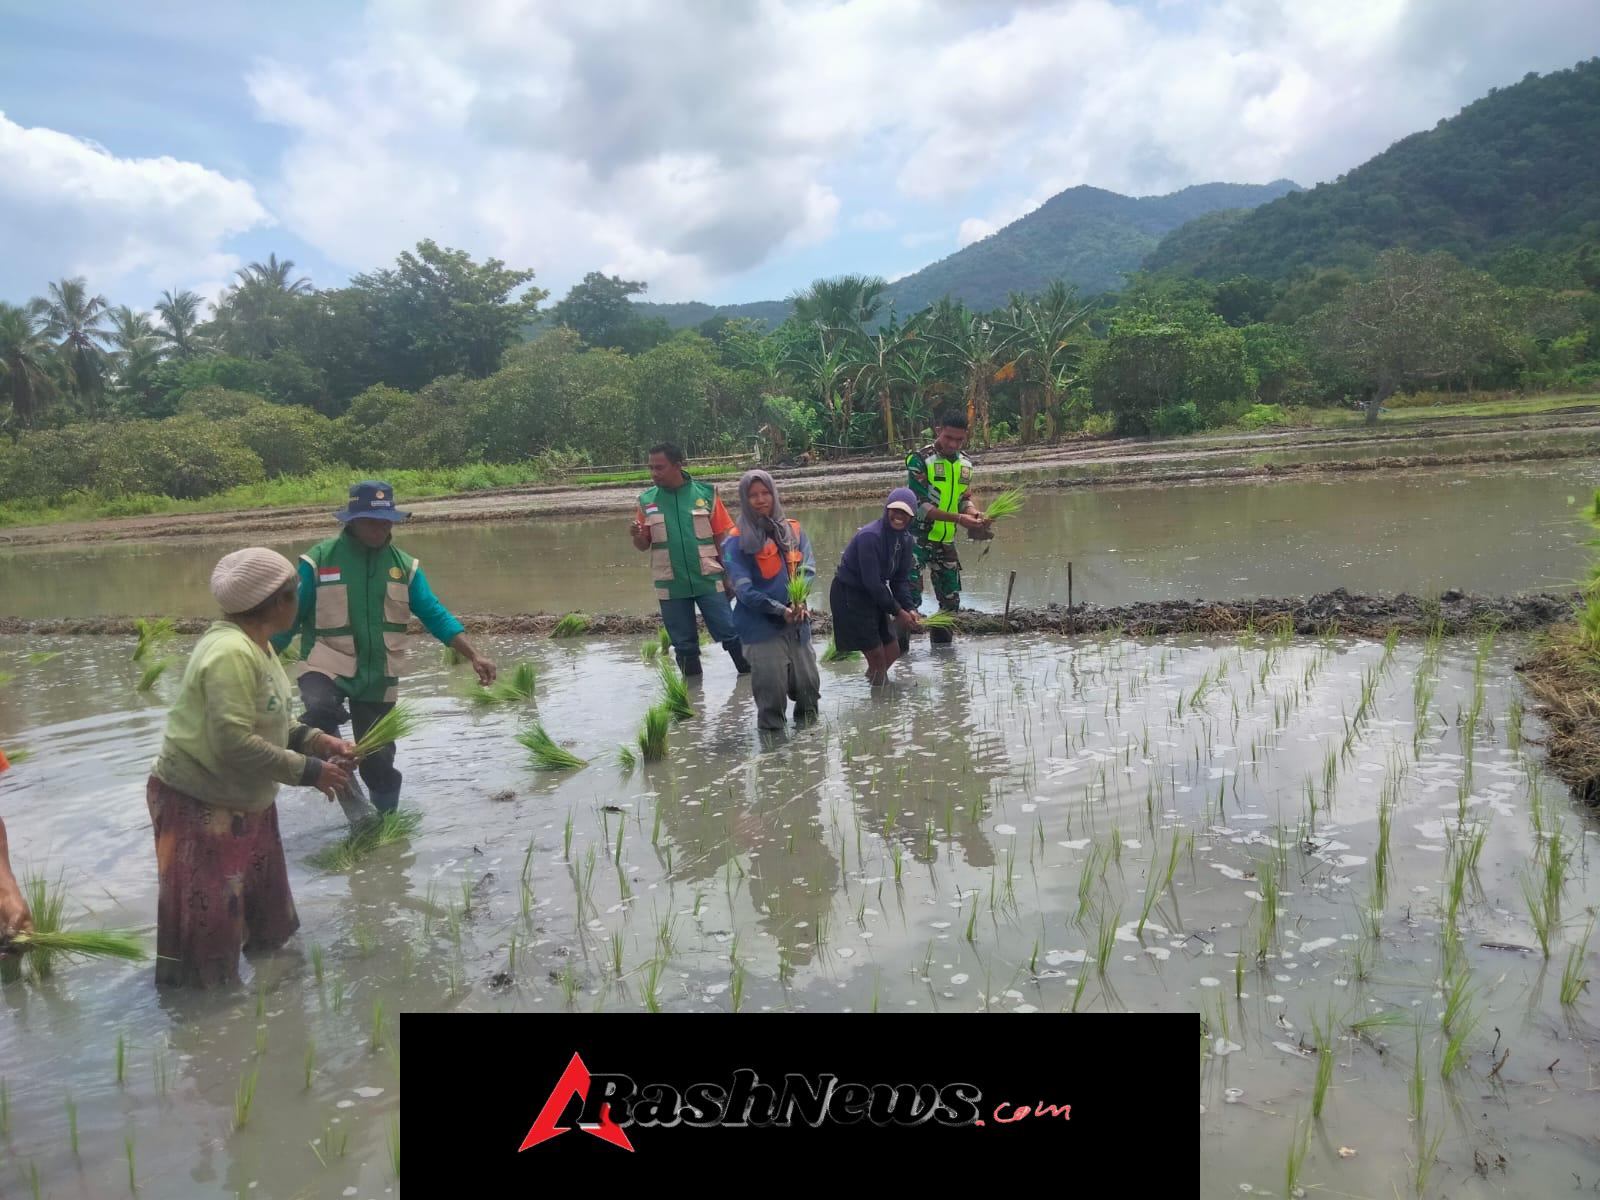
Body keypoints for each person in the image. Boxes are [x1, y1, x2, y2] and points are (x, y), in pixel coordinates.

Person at [148, 548, 357, 988]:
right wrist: (311, 771)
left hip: (247, 799)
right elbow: (233, 741)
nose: (300, 601)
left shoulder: (258, 646)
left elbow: (275, 720)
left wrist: (320, 741)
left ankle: (277, 999)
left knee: (269, 924)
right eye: (296, 593)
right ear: (279, 602)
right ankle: (205, 1015)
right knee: (206, 935)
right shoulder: (229, 653)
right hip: (201, 803)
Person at [273, 481, 496, 814]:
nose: (380, 528)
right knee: (319, 711)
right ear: (352, 521)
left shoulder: (404, 568)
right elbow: (288, 619)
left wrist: (474, 654)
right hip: (325, 663)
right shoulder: (318, 561)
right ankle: (352, 804)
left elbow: (433, 613)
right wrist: (258, 660)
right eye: (371, 521)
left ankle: (386, 823)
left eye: (386, 521)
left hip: (378, 673)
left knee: (378, 761)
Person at [629, 443, 751, 678]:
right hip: (671, 583)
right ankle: (693, 695)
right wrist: (636, 536)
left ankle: (751, 683)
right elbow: (643, 545)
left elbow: (722, 540)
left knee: (731, 632)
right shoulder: (647, 501)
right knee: (683, 645)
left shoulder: (706, 494)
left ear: (677, 466)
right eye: (651, 468)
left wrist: (730, 576)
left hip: (708, 577)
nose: (654, 473)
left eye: (659, 467)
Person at [723, 470, 820, 733]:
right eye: (753, 495)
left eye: (765, 493)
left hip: (797, 624)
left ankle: (810, 747)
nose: (760, 499)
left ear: (774, 494)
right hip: (761, 629)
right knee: (771, 699)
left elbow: (807, 569)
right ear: (744, 500)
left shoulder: (793, 530)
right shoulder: (735, 541)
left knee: (809, 690)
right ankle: (773, 749)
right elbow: (743, 590)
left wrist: (799, 601)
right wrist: (780, 610)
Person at [905, 411, 992, 644]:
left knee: (951, 603)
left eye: (959, 440)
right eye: (948, 438)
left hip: (945, 541)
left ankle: (944, 656)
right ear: (938, 431)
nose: (953, 444)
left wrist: (975, 513)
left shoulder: (965, 464)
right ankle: (899, 656)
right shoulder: (920, 460)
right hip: (916, 540)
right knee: (908, 602)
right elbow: (922, 507)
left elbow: (963, 499)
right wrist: (961, 520)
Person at [829, 488, 923, 685]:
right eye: (895, 510)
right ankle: (880, 695)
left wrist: (909, 608)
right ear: (886, 509)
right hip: (850, 594)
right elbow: (871, 582)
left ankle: (873, 686)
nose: (899, 516)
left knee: (893, 650)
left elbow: (899, 581)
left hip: (874, 594)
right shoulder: (870, 536)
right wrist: (898, 612)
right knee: (877, 656)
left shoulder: (906, 540)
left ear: (912, 516)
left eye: (905, 513)